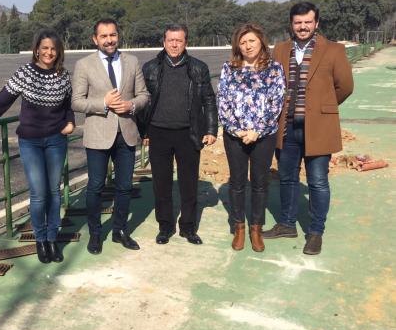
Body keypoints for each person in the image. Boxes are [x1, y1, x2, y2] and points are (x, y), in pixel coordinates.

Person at [0, 29, 75, 264]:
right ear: (36, 50)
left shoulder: (63, 76)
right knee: (39, 193)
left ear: (58, 51)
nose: (49, 53)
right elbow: (1, 101)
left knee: (54, 191)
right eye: (44, 48)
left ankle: (53, 239)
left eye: (53, 48)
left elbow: (67, 106)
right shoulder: (25, 73)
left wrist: (70, 122)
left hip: (56, 140)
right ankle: (40, 240)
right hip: (30, 141)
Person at [262, 2, 353, 255]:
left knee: (318, 182)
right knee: (288, 178)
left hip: (318, 128)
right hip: (287, 128)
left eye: (307, 22)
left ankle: (315, 232)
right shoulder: (280, 50)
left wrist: (321, 107)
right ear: (291, 24)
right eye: (298, 23)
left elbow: (344, 86)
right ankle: (287, 224)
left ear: (316, 24)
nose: (303, 27)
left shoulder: (334, 50)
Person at [71, 18, 149, 254]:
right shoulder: (84, 65)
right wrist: (103, 103)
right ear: (95, 39)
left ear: (118, 35)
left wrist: (131, 106)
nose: (109, 40)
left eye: (113, 35)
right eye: (104, 36)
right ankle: (95, 234)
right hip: (98, 135)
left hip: (126, 132)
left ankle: (120, 231)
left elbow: (144, 94)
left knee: (124, 186)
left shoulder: (132, 61)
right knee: (95, 187)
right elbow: (76, 102)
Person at [140, 24, 217, 245]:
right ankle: (165, 226)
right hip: (159, 132)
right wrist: (144, 131)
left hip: (188, 134)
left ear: (186, 43)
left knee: (188, 184)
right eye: (171, 40)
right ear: (164, 42)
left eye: (179, 40)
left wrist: (211, 129)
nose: (174, 44)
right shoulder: (151, 68)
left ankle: (188, 227)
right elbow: (144, 102)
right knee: (161, 184)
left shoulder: (198, 68)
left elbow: (209, 100)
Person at [217, 23, 285, 251]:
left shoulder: (274, 69)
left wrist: (258, 130)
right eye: (243, 42)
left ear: (261, 42)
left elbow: (277, 102)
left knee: (259, 183)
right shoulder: (230, 68)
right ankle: (239, 228)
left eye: (252, 41)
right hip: (235, 136)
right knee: (236, 183)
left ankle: (256, 228)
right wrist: (236, 129)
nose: (247, 46)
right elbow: (223, 101)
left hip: (263, 135)